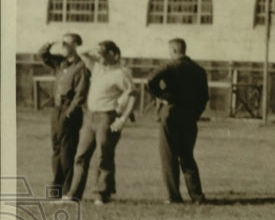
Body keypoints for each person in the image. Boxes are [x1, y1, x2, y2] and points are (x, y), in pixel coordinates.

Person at [70, 41, 136, 205]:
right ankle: (74, 194)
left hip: (107, 117)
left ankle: (102, 193)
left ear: (113, 54)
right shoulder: (97, 67)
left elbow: (133, 95)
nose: (99, 56)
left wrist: (122, 119)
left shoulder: (121, 73)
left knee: (103, 155)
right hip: (90, 116)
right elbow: (80, 51)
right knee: (81, 155)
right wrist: (96, 49)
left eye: (103, 53)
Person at [146, 38, 209, 204]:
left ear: (173, 50)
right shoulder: (199, 70)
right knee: (187, 155)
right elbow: (204, 97)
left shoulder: (169, 66)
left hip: (171, 112)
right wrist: (195, 113)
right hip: (189, 115)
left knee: (169, 155)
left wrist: (163, 96)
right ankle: (197, 195)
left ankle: (174, 196)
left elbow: (149, 82)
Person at [37, 34, 90, 197]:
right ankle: (56, 188)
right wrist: (48, 43)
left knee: (67, 152)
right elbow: (43, 56)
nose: (64, 46)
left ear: (75, 45)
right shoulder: (61, 63)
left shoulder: (81, 67)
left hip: (69, 111)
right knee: (56, 149)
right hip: (57, 109)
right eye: (63, 44)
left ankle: (67, 189)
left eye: (67, 44)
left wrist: (70, 112)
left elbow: (80, 93)